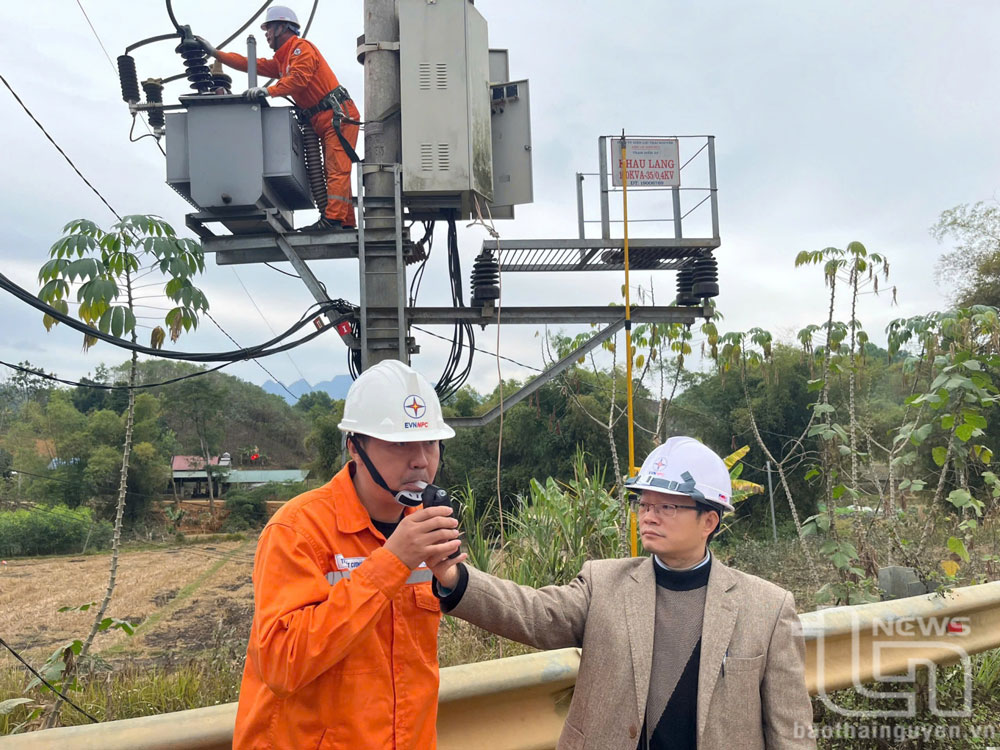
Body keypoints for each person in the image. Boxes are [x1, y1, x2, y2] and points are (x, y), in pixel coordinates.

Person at [431, 437, 816, 750]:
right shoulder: (604, 583)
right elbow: (535, 613)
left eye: (667, 506)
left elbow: (790, 728)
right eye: (644, 504)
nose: (649, 515)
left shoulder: (767, 607)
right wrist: (456, 578)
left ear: (709, 521)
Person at [233, 359, 461, 748]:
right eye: (400, 444)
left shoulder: (426, 528)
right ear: (355, 447)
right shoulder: (298, 530)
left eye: (430, 442)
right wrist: (392, 562)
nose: (421, 459)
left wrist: (453, 582)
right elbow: (281, 665)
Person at [200, 5, 360, 231]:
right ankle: (344, 221)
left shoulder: (300, 49)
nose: (266, 33)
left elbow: (299, 79)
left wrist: (269, 91)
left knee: (336, 168)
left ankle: (333, 220)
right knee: (333, 169)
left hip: (337, 115)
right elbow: (250, 64)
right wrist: (217, 54)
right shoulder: (283, 60)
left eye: (268, 28)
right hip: (323, 117)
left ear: (282, 27)